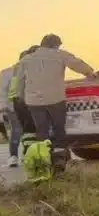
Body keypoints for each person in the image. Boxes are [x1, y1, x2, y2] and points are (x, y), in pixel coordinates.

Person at [19, 34, 95, 173]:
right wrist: (90, 73)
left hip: (33, 101)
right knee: (59, 130)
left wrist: (22, 97)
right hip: (55, 99)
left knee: (42, 131)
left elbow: (20, 81)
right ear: (55, 45)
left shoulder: (26, 59)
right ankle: (59, 163)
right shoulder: (59, 55)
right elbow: (76, 63)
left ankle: (44, 162)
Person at [0, 65, 21, 166]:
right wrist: (3, 106)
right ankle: (13, 156)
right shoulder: (8, 72)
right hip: (13, 107)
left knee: (30, 132)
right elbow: (2, 91)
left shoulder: (34, 69)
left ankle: (29, 154)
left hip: (31, 106)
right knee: (17, 130)